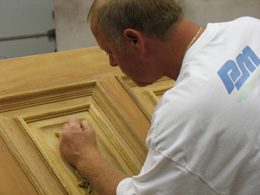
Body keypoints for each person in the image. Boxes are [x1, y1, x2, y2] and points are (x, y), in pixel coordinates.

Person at [60, 0, 260, 194]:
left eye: (110, 51)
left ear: (134, 40)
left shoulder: (183, 109)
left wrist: (84, 157)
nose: (112, 62)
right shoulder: (249, 27)